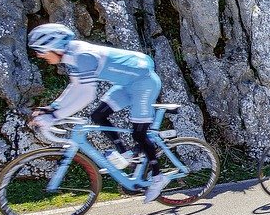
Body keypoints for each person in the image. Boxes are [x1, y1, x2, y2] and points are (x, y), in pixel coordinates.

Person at [27, 23, 169, 203]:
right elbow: (76, 87)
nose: (39, 55)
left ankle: (158, 178)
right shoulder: (71, 55)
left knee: (139, 133)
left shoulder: (82, 56)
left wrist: (55, 116)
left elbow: (86, 95)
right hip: (127, 84)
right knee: (98, 116)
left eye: (40, 51)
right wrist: (52, 108)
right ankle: (126, 155)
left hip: (144, 83)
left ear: (53, 46)